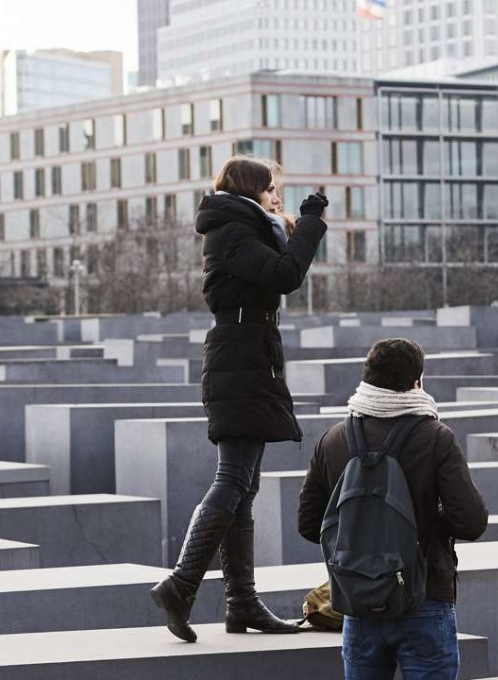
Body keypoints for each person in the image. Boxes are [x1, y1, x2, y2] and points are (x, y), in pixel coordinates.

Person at [151, 155, 329, 643]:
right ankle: (181, 583)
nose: (279, 197)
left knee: (243, 487)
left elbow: (278, 266)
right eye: (273, 188)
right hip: (240, 359)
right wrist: (311, 225)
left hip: (250, 357)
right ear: (251, 188)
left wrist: (300, 223)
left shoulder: (244, 226)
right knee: (232, 480)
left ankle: (241, 602)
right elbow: (285, 273)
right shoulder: (231, 232)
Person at [298, 338, 488, 679]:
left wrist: (359, 543)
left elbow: (309, 524)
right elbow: (471, 521)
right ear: (417, 382)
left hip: (358, 604)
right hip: (425, 598)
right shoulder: (435, 437)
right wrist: (422, 528)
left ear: (367, 378)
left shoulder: (333, 439)